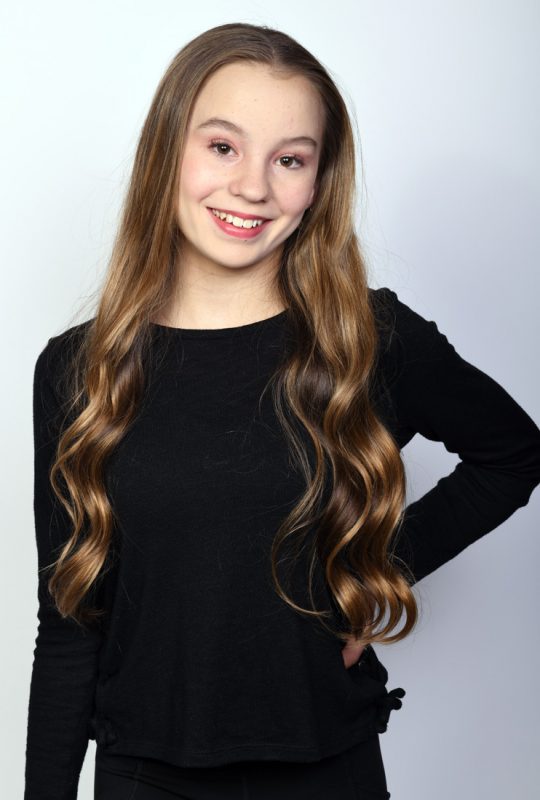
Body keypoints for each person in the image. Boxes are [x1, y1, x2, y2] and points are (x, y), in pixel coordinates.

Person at [24, 22, 540, 800]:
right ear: (167, 152)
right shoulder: (78, 369)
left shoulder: (369, 340)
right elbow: (68, 624)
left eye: (289, 159)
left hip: (329, 769)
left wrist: (378, 576)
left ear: (319, 181)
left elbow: (513, 453)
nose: (253, 187)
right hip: (143, 776)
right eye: (222, 147)